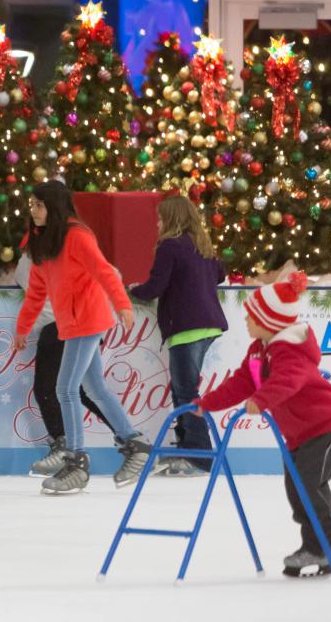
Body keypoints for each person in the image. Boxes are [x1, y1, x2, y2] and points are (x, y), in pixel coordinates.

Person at [196, 271, 331, 576]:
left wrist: (263, 399)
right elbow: (241, 383)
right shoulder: (259, 350)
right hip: (298, 433)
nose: (246, 321)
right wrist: (206, 403)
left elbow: (289, 380)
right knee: (296, 489)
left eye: (251, 317)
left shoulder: (289, 350)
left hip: (321, 426)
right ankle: (315, 545)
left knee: (311, 484)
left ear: (268, 321)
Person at [13, 181, 153, 496]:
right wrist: (23, 329)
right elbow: (36, 293)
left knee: (65, 389)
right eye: (32, 204)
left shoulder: (76, 236)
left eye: (39, 204)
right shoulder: (44, 243)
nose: (33, 210)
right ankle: (136, 443)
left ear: (54, 207)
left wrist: (122, 304)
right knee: (95, 388)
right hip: (72, 322)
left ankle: (76, 463)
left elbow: (104, 271)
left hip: (88, 320)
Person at [129, 195, 227, 477]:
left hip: (187, 328)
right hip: (208, 326)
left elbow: (155, 287)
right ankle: (187, 448)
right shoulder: (202, 246)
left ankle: (200, 456)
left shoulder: (169, 246)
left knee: (185, 392)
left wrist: (132, 290)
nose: (157, 224)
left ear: (171, 219)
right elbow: (220, 275)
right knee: (182, 389)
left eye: (160, 218)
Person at [13, 243, 111, 478]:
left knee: (49, 389)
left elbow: (22, 278)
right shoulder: (76, 248)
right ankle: (132, 441)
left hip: (60, 327)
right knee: (84, 391)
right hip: (85, 324)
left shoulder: (34, 256)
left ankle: (64, 446)